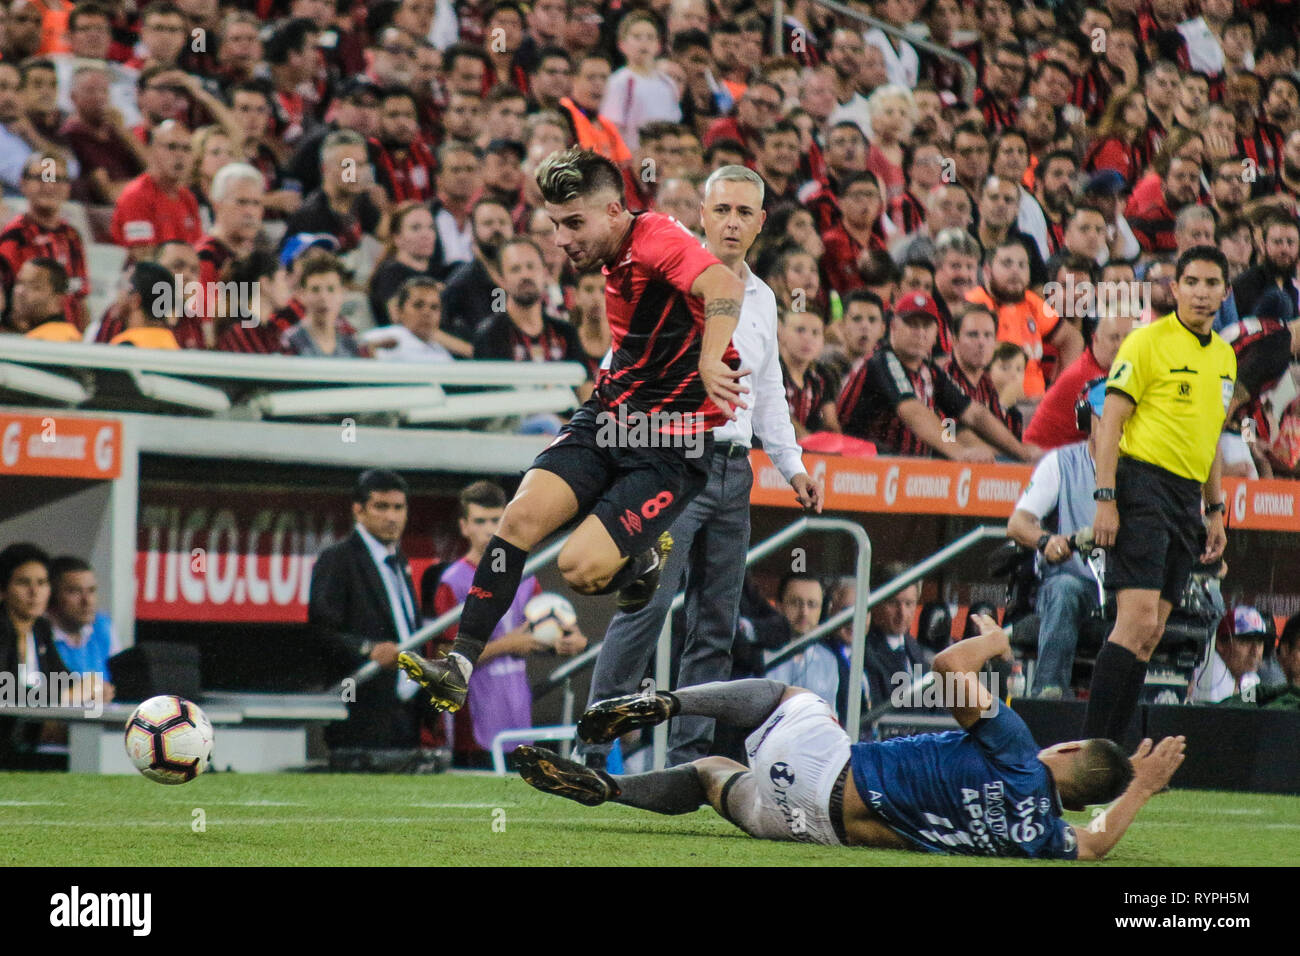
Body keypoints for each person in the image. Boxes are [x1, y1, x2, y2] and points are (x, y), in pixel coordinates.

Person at [397, 147, 747, 715]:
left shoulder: (655, 237)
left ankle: (639, 563)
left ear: (614, 212)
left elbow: (723, 287)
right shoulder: (612, 256)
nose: (560, 239)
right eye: (555, 225)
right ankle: (459, 663)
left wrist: (711, 360)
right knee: (517, 518)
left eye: (573, 223)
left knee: (578, 570)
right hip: (609, 418)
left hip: (672, 446)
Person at [517, 612, 1188, 860]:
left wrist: (996, 639)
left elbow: (948, 667)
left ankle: (663, 701)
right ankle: (606, 787)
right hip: (809, 831)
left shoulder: (1017, 749)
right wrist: (1144, 788)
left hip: (830, 769)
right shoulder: (1042, 838)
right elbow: (1096, 846)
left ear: (1066, 751)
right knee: (710, 776)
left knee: (794, 696)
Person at [581, 166, 820, 766]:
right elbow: (617, 367)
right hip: (673, 457)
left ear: (762, 223)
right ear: (703, 217)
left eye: (745, 212)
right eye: (723, 211)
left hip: (735, 469)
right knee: (647, 606)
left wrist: (792, 467)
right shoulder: (668, 279)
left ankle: (689, 764)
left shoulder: (764, 298)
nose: (733, 222)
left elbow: (768, 391)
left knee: (716, 622)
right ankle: (593, 748)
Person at [1084, 246, 1237, 743]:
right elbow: (1111, 422)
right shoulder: (1146, 342)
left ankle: (1111, 752)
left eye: (1211, 283)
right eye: (1191, 281)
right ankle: (1086, 756)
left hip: (1186, 497)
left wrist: (1214, 511)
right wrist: (1105, 497)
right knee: (1136, 623)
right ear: (1175, 288)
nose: (1201, 292)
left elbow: (1212, 437)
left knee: (1151, 635)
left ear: (1225, 292)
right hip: (1142, 484)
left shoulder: (1224, 357)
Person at [431, 481, 587, 766]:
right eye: (480, 521)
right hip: (473, 726)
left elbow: (545, 628)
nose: (490, 529)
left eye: (496, 520)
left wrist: (570, 640)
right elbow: (442, 659)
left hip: (517, 717)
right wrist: (509, 644)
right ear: (464, 526)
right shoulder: (451, 582)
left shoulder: (524, 577)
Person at [837, 291, 1039, 462]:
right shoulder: (882, 361)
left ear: (936, 333)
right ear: (893, 327)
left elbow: (973, 413)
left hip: (904, 472)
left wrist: (1022, 452)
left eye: (926, 326)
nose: (920, 332)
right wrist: (959, 451)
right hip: (860, 470)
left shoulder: (929, 370)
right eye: (912, 324)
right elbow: (912, 410)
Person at [308, 469, 426, 750]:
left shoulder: (399, 561)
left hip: (405, 711)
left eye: (399, 507)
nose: (392, 517)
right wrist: (367, 649)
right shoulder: (338, 559)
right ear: (359, 511)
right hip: (362, 711)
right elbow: (321, 630)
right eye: (381, 507)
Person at [1008, 378, 1108, 699]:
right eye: (1106, 417)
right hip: (1074, 580)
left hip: (1126, 586)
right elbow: (1018, 522)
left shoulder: (1144, 469)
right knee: (1065, 590)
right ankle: (1048, 696)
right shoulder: (1061, 463)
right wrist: (1046, 541)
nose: (1116, 427)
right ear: (1087, 419)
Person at [0, 543, 70, 768]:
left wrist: (93, 688)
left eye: (42, 583)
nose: (34, 592)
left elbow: (66, 680)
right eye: (23, 583)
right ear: (3, 589)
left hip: (29, 743)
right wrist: (63, 697)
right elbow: (6, 690)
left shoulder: (41, 629)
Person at [109, 119, 202, 260]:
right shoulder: (136, 196)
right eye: (171, 147)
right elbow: (143, 258)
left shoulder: (188, 198)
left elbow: (197, 251)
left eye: (186, 149)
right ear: (152, 151)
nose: (180, 155)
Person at [46, 556, 117, 701]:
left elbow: (121, 681)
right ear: (52, 596)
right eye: (74, 591)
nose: (87, 601)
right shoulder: (38, 634)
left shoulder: (103, 626)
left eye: (91, 591)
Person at [765, 573, 839, 707]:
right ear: (779, 606)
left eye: (812, 604)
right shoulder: (759, 654)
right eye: (795, 603)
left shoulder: (828, 660)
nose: (804, 612)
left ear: (821, 610)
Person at [862, 561, 927, 711]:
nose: (902, 613)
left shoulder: (915, 649)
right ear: (876, 603)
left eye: (909, 604)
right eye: (893, 603)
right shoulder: (865, 650)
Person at [1187, 606, 1267, 704]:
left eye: (1260, 642)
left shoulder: (1251, 678)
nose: (1255, 651)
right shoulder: (1210, 673)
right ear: (1220, 643)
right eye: (1246, 641)